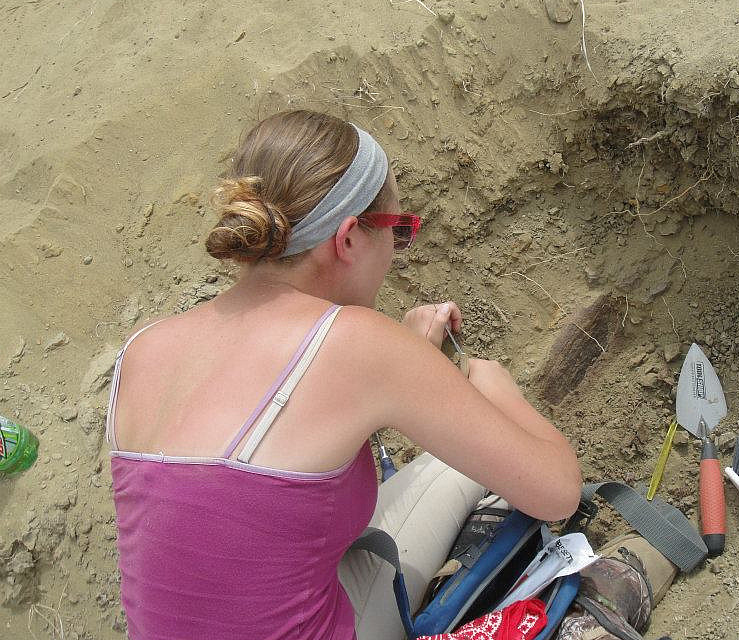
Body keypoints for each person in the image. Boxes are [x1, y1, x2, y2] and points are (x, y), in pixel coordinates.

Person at [105, 109, 582, 640]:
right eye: (398, 232)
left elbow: (268, 485)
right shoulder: (359, 343)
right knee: (484, 472)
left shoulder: (141, 350)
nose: (397, 252)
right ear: (349, 237)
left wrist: (409, 367)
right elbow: (557, 490)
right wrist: (494, 390)